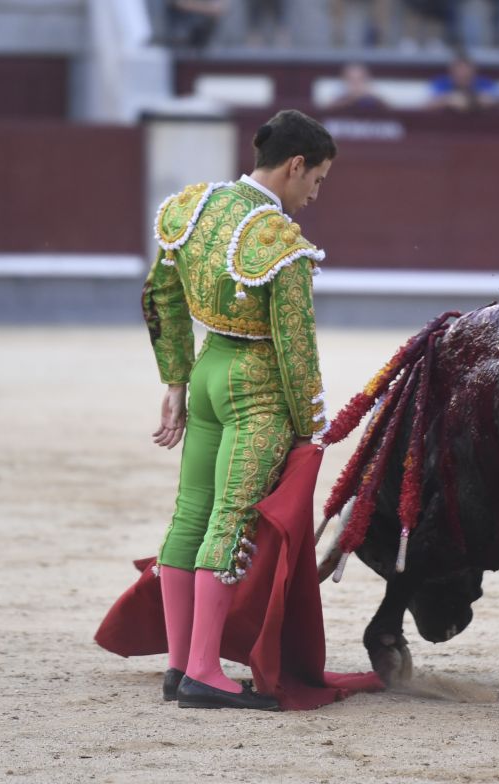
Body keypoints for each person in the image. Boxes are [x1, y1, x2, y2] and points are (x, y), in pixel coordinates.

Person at [143, 109, 335, 710]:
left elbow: (160, 295)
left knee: (189, 514)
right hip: (255, 389)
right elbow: (296, 348)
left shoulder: (194, 208)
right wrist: (312, 430)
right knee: (228, 520)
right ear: (295, 165)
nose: (314, 194)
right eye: (318, 180)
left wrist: (175, 379)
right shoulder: (279, 242)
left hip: (204, 375)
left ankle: (180, 665)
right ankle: (204, 671)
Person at [427, 52, 499, 111]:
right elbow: (427, 104)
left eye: (466, 71)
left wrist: (474, 101)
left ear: (474, 71)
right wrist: (447, 100)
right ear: (451, 72)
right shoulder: (440, 84)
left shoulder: (487, 83)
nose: (462, 74)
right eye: (459, 70)